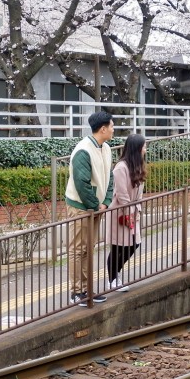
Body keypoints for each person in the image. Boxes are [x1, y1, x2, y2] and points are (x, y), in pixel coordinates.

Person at [65, 111, 115, 306]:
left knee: (88, 248)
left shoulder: (106, 148)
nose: (113, 129)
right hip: (81, 207)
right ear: (103, 128)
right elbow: (82, 184)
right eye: (111, 126)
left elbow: (109, 177)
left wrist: (106, 201)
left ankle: (86, 289)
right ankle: (77, 292)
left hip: (96, 207)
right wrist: (97, 205)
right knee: (78, 249)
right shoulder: (83, 150)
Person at [106, 133, 146, 292]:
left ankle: (115, 274)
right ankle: (112, 279)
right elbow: (121, 194)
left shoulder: (138, 165)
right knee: (118, 246)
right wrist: (129, 212)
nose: (145, 148)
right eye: (143, 146)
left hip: (132, 211)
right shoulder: (121, 167)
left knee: (134, 244)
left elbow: (140, 192)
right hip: (120, 213)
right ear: (136, 148)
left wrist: (137, 210)